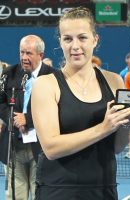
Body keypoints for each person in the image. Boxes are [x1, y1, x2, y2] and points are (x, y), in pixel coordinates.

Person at [30, 7, 130, 200]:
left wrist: (127, 123)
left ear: (95, 40)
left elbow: (117, 147)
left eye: (82, 38)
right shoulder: (46, 85)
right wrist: (104, 128)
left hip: (104, 189)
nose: (75, 46)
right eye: (67, 38)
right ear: (60, 42)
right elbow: (51, 148)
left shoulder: (114, 82)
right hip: (59, 191)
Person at [0, 35, 55, 200]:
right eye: (22, 52)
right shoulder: (9, 73)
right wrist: (14, 119)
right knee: (16, 196)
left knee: (41, 194)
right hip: (14, 147)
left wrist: (28, 119)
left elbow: (56, 109)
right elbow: (1, 102)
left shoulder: (54, 77)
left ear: (41, 55)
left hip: (42, 149)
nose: (24, 57)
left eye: (29, 53)